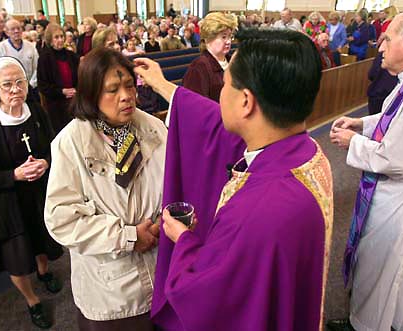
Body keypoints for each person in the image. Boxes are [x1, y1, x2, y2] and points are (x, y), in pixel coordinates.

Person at [134, 27, 333, 331]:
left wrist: (183, 240)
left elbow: (207, 294)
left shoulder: (256, 210)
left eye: (226, 83)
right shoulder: (306, 152)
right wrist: (164, 86)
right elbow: (213, 120)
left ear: (246, 102)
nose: (221, 93)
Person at [44, 48, 166, 331]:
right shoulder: (71, 142)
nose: (125, 96)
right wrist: (127, 236)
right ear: (90, 95)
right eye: (112, 90)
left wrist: (166, 219)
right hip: (113, 288)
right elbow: (61, 218)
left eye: (128, 85)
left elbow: (174, 184)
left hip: (161, 269)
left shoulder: (153, 127)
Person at [328, 9, 403, 331]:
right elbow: (389, 119)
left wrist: (352, 141)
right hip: (399, 192)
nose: (380, 47)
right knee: (394, 270)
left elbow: (394, 158)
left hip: (401, 197)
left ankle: (365, 326)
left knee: (382, 267)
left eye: (387, 39)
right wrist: (361, 123)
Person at [0, 56, 63, 329]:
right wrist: (14, 175)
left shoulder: (36, 109)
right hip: (7, 204)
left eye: (19, 82)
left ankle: (44, 273)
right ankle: (32, 301)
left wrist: (46, 162)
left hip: (39, 195)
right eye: (7, 84)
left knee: (42, 239)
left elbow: (53, 146)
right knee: (18, 257)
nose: (14, 89)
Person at [183, 12, 237, 102]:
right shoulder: (199, 67)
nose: (228, 41)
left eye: (230, 36)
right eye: (223, 37)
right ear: (208, 38)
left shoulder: (233, 61)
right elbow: (196, 106)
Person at [37, 23, 79, 134]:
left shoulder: (72, 56)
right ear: (50, 40)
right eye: (56, 37)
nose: (60, 40)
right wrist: (62, 91)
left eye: (61, 36)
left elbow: (80, 77)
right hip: (56, 104)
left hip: (74, 100)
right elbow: (43, 85)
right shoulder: (44, 58)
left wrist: (76, 90)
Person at [0, 19, 39, 92]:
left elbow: (37, 66)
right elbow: (1, 69)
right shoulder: (2, 47)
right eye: (13, 29)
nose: (16, 31)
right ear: (7, 32)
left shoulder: (30, 46)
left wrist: (31, 84)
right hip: (12, 89)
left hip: (31, 87)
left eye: (18, 28)